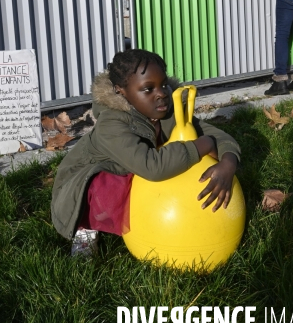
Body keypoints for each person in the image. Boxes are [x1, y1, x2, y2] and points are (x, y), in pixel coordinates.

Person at [51, 49, 241, 255]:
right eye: (148, 89)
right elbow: (152, 167)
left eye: (164, 85)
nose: (161, 94)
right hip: (82, 186)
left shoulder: (167, 111)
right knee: (112, 186)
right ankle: (85, 230)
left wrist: (228, 162)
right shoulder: (111, 124)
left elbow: (219, 136)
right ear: (120, 91)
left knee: (160, 167)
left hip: (135, 167)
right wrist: (203, 145)